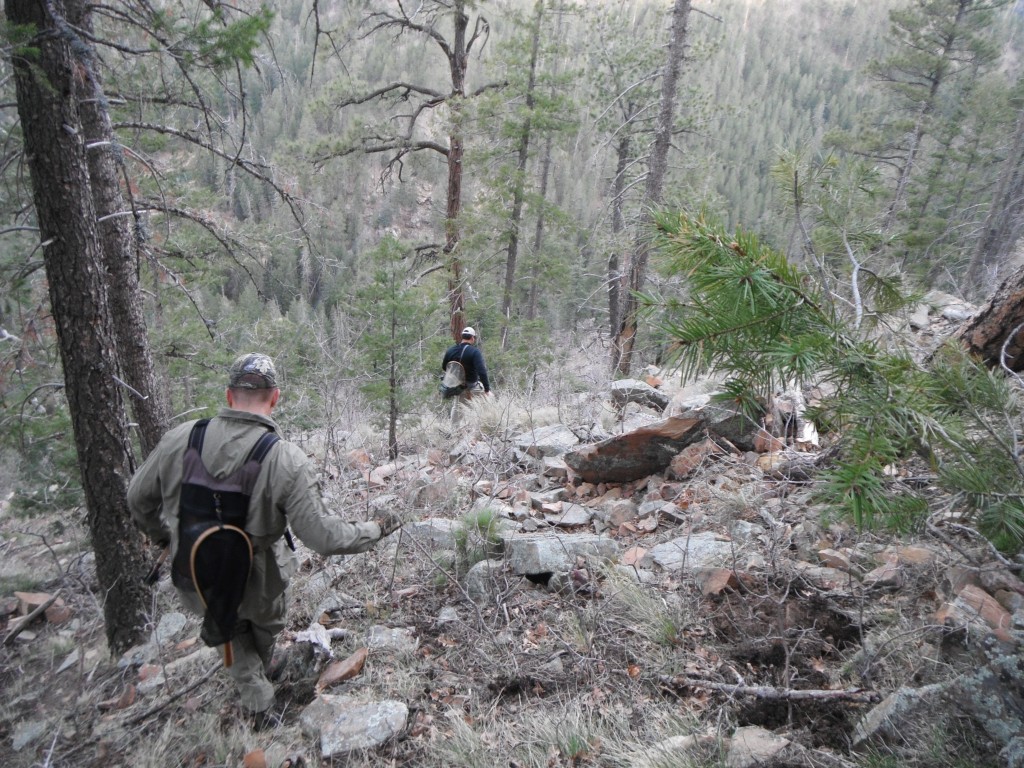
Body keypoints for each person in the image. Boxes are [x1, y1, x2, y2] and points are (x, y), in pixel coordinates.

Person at [128, 352, 402, 718]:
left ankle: (252, 667)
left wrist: (164, 537)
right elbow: (325, 537)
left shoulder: (180, 438)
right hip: (256, 584)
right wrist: (377, 528)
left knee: (227, 625)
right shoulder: (285, 459)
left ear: (228, 396)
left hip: (193, 573)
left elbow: (136, 498)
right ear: (275, 397)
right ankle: (260, 702)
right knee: (256, 625)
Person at [441, 326, 491, 404]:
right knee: (490, 399)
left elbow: (444, 367)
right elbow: (482, 372)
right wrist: (487, 390)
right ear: (472, 338)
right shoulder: (475, 352)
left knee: (457, 408)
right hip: (472, 386)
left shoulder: (450, 350)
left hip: (457, 386)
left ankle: (454, 416)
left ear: (462, 337)